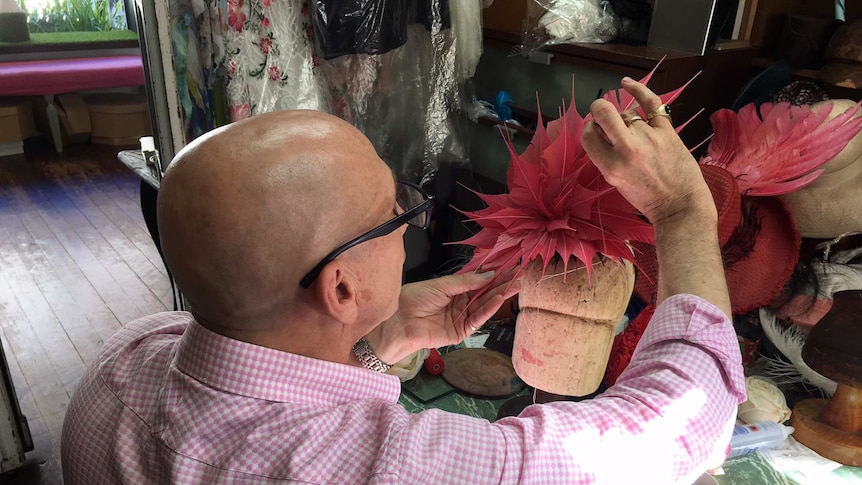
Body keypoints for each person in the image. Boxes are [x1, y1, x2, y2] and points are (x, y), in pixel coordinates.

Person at [61, 79, 745, 484]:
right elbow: (683, 426)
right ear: (340, 288)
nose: (409, 225)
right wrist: (683, 210)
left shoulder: (118, 364)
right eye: (398, 212)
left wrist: (378, 336)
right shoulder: (386, 465)